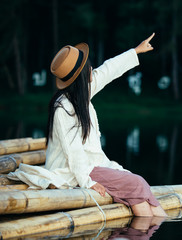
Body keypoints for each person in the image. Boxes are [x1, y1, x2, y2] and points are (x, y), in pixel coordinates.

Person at [9, 33, 167, 217]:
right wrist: (87, 182)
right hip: (77, 170)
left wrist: (136, 51)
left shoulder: (82, 93)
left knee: (137, 192)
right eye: (88, 67)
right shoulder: (63, 108)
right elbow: (73, 152)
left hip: (93, 164)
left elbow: (108, 70)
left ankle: (149, 230)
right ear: (83, 75)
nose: (92, 69)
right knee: (137, 183)